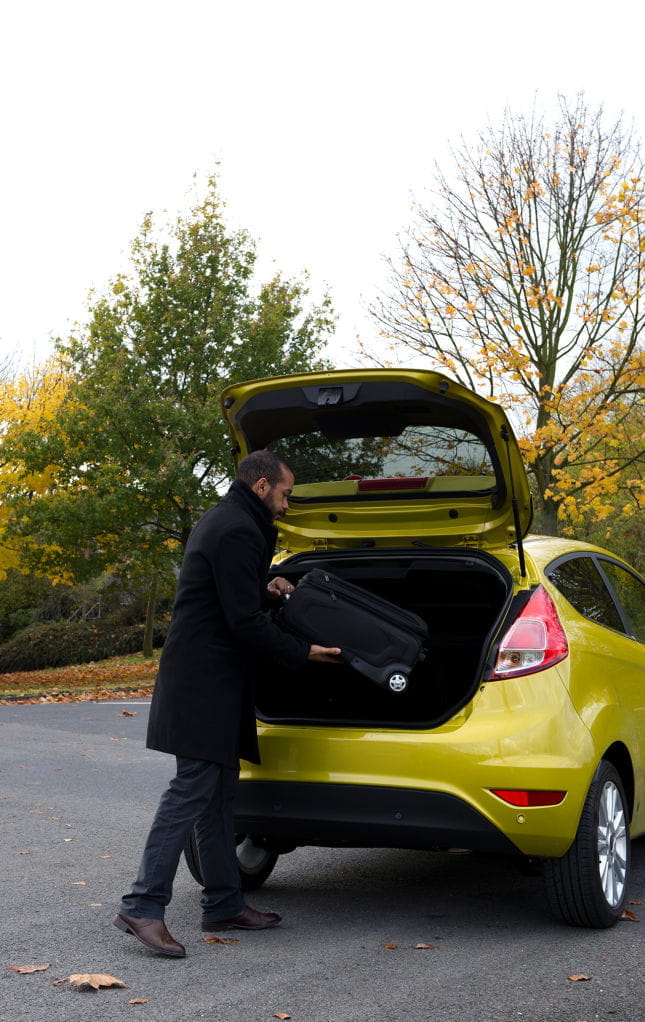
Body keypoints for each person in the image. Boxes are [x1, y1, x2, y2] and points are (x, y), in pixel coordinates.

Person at [114, 450, 340, 957]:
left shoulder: (229, 520)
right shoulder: (238, 528)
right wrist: (303, 651)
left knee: (218, 794)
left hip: (214, 680)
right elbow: (242, 622)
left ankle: (223, 903)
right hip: (204, 683)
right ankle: (142, 904)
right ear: (261, 486)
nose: (286, 505)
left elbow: (231, 596)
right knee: (191, 790)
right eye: (284, 494)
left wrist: (267, 586)